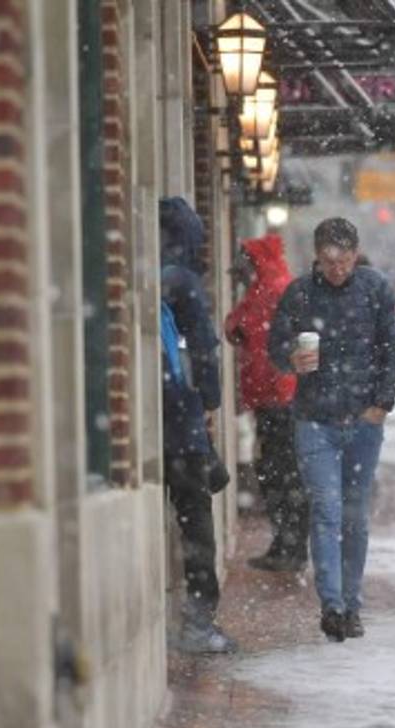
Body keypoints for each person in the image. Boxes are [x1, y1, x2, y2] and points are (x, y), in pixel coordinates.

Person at [268, 218, 395, 642]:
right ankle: (332, 605)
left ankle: (353, 602)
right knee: (327, 511)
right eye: (328, 260)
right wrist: (292, 358)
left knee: (354, 515)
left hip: (363, 421)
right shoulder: (300, 293)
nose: (337, 268)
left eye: (344, 259)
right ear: (316, 255)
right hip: (315, 420)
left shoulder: (375, 289)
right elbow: (275, 346)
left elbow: (393, 345)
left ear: (355, 253)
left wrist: (382, 403)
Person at [159, 196, 236, 655]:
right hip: (181, 416)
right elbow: (204, 347)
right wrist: (209, 399)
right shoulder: (183, 282)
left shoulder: (151, 275)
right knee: (196, 520)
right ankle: (199, 619)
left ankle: (192, 617)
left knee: (190, 512)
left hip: (163, 417)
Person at [224, 233, 309, 573]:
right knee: (283, 473)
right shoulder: (274, 287)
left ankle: (288, 544)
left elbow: (237, 326)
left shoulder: (267, 291)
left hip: (278, 399)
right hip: (278, 397)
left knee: (279, 473)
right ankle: (289, 543)